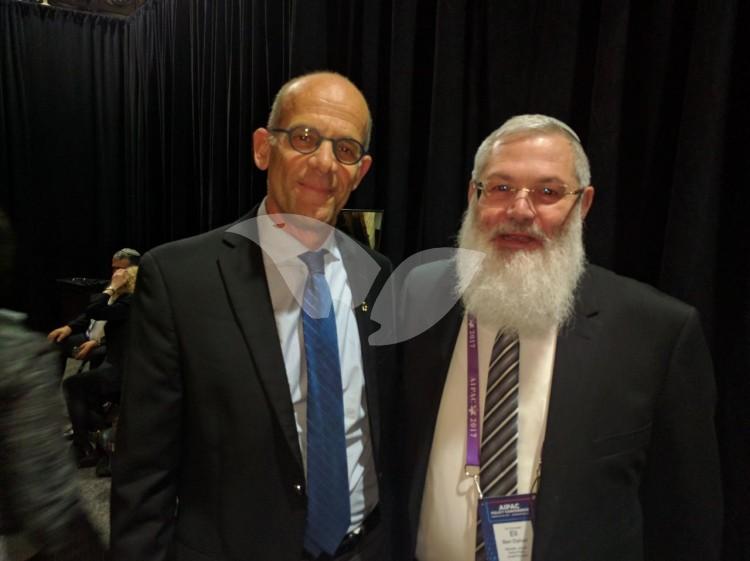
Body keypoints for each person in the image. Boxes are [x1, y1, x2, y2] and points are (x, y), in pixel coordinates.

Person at [398, 115, 722, 561]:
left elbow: (686, 520)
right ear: (473, 195)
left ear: (583, 204)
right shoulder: (421, 297)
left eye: (548, 192)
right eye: (501, 188)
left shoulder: (656, 330)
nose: (519, 211)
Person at [111, 72, 396, 561]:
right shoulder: (181, 279)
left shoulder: (378, 275)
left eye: (345, 150)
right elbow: (144, 472)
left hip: (367, 547)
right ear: (264, 148)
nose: (325, 163)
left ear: (361, 170)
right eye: (305, 138)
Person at [0, 209, 105, 561]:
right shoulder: (14, 352)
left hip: (120, 367)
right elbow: (49, 504)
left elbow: (107, 320)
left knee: (77, 386)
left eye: (123, 268)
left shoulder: (131, 300)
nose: (116, 272)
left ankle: (86, 443)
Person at [63, 264, 138, 469]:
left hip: (123, 372)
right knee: (84, 390)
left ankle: (84, 447)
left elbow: (94, 310)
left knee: (73, 385)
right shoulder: (130, 304)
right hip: (121, 367)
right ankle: (100, 444)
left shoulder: (129, 302)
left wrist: (111, 288)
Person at [47, 248, 140, 370]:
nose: (115, 274)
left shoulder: (134, 296)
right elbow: (89, 312)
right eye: (114, 268)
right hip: (90, 336)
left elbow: (125, 333)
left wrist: (98, 343)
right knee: (57, 343)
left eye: (120, 269)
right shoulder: (115, 286)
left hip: (109, 345)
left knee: (97, 362)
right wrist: (70, 327)